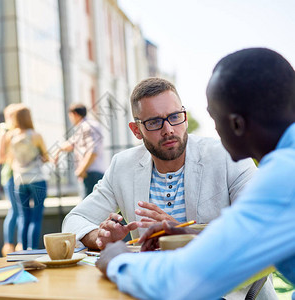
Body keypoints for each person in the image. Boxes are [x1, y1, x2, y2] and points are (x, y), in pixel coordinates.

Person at [95, 48, 294, 300]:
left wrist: (118, 260)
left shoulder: (283, 179)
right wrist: (190, 234)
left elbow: (184, 281)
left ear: (236, 124)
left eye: (213, 116)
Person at [62, 77, 276, 299]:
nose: (168, 129)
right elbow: (74, 220)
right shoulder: (122, 166)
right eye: (154, 122)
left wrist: (183, 232)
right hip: (151, 290)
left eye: (175, 117)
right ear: (136, 130)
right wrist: (101, 236)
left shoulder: (228, 155)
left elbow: (262, 231)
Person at [0, 106, 49, 250]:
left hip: (19, 181)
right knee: (36, 217)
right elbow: (46, 157)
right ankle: (32, 250)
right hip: (37, 179)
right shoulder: (35, 136)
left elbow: (7, 158)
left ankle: (23, 251)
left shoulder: (10, 137)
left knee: (23, 216)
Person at [54, 103, 105, 198]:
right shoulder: (84, 127)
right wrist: (59, 151)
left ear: (74, 114)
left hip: (92, 173)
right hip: (90, 172)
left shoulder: (88, 127)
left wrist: (81, 169)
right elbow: (71, 144)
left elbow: (93, 151)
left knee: (88, 207)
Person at [0, 103, 23, 256]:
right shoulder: (4, 131)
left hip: (22, 175)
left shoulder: (19, 131)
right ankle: (9, 245)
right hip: (11, 175)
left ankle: (19, 244)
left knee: (21, 210)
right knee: (15, 209)